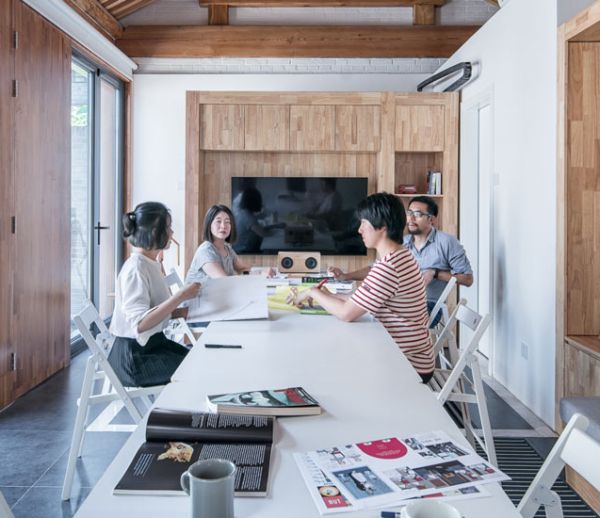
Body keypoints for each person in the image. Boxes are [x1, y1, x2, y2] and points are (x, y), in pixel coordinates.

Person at [289, 193, 433, 383]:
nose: (359, 230)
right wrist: (327, 295)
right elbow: (357, 300)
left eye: (364, 223)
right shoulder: (400, 256)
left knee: (326, 358)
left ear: (382, 226)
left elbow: (347, 314)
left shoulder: (388, 267)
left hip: (408, 364)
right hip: (407, 353)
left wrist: (312, 291)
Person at [109, 202, 200, 387]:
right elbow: (140, 324)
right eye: (168, 228)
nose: (172, 233)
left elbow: (153, 310)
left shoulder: (149, 263)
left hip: (153, 346)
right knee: (198, 368)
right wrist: (180, 296)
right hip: (135, 359)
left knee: (201, 360)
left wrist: (182, 312)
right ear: (153, 233)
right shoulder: (136, 269)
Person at [403, 196, 473, 313]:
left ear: (432, 220)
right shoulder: (403, 242)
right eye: (409, 213)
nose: (411, 218)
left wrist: (435, 273)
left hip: (429, 305)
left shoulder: (447, 242)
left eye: (418, 214)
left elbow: (467, 279)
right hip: (402, 301)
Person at [185, 204, 251, 285]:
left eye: (227, 222)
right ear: (209, 225)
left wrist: (261, 273)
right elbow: (224, 282)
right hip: (200, 297)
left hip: (218, 294)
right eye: (218, 221)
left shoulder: (227, 248)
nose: (223, 226)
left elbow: (243, 268)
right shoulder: (205, 251)